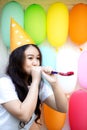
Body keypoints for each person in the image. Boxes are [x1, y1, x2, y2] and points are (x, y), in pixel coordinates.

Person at [0, 44, 67, 130]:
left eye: (38, 58)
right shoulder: (4, 83)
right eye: (30, 58)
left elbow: (63, 108)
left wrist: (54, 83)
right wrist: (35, 81)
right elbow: (24, 115)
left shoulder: (39, 85)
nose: (36, 63)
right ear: (18, 61)